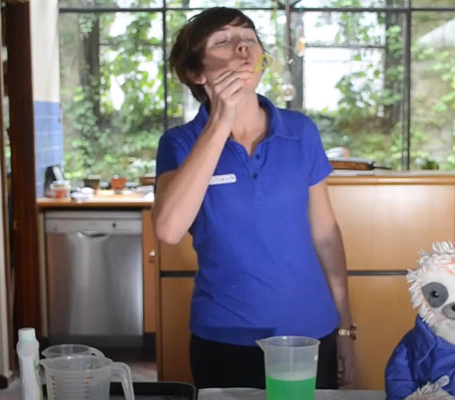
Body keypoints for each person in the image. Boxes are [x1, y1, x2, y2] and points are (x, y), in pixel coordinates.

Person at [152, 6, 355, 389]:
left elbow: (326, 234)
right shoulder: (179, 144)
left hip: (312, 333)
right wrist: (221, 120)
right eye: (223, 41)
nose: (242, 48)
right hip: (226, 337)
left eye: (249, 39)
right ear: (197, 73)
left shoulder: (301, 131)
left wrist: (345, 329)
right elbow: (168, 229)